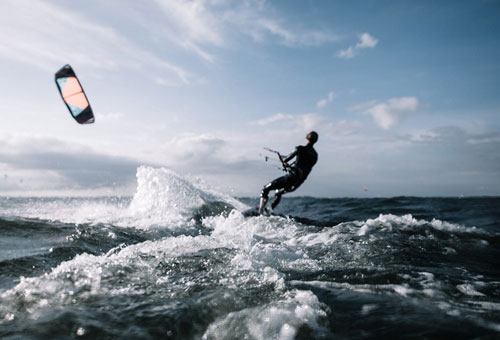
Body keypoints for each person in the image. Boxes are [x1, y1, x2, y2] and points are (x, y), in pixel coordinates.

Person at [258, 131, 318, 214]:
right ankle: (269, 210)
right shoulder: (315, 155)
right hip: (298, 183)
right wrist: (285, 159)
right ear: (316, 141)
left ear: (307, 138)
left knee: (265, 189)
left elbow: (286, 160)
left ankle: (259, 213)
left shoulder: (299, 148)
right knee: (278, 192)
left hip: (291, 177)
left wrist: (284, 160)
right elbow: (304, 168)